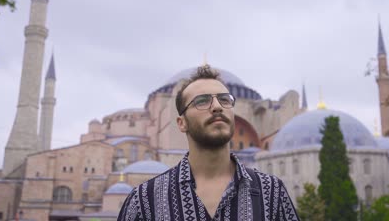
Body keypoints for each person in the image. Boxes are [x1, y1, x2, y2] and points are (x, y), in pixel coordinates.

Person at [118, 65, 299, 221]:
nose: (217, 106)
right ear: (182, 123)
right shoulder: (145, 200)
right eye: (202, 101)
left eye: (224, 99)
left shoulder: (270, 192)